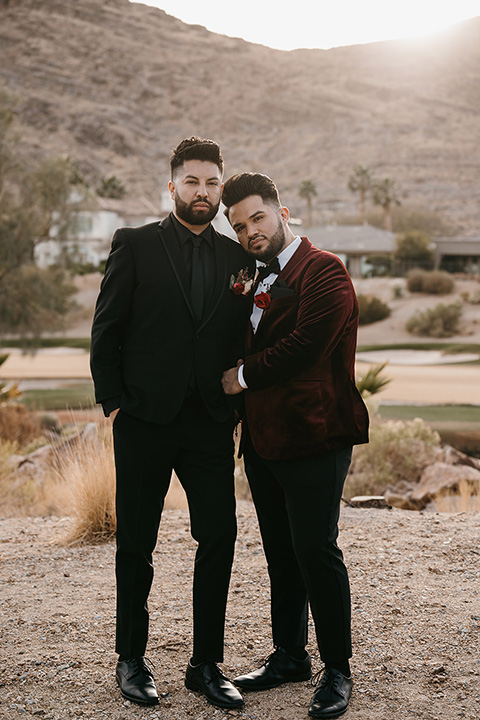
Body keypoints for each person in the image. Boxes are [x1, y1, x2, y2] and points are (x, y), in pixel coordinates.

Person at [90, 138, 255, 710]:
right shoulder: (135, 245)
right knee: (136, 542)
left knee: (221, 537)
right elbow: (106, 327)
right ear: (173, 187)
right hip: (143, 419)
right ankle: (130, 658)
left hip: (208, 422)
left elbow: (236, 338)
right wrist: (113, 402)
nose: (203, 192)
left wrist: (233, 409)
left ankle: (205, 663)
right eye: (192, 182)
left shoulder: (240, 262)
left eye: (212, 183)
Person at [221, 172, 369, 719]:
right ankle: (289, 656)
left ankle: (337, 669)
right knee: (281, 554)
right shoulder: (252, 275)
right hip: (263, 441)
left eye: (257, 218)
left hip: (316, 435)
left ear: (281, 210)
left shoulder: (324, 269)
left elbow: (306, 347)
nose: (250, 231)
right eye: (239, 226)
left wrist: (240, 376)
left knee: (315, 550)